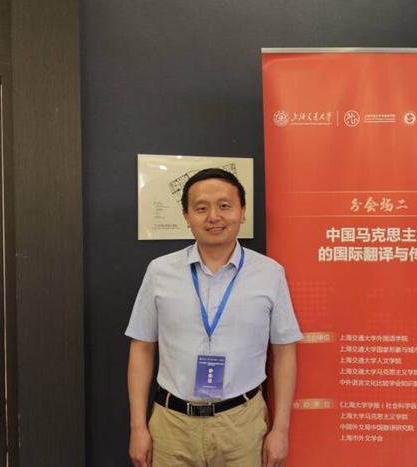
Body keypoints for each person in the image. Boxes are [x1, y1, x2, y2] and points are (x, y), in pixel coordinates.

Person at [126, 168, 302, 467]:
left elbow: (284, 352)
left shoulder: (270, 273)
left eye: (224, 206)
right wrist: (138, 427)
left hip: (243, 425)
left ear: (242, 212)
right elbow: (142, 348)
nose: (214, 217)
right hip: (172, 425)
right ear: (186, 216)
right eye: (201, 208)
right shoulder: (159, 271)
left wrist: (280, 430)